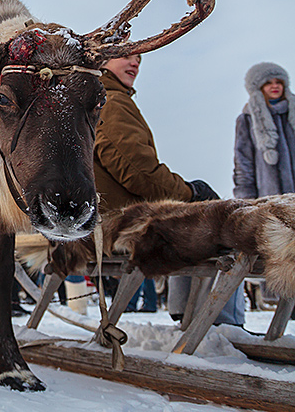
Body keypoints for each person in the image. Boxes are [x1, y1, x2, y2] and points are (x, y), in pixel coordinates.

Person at [93, 54, 233, 322]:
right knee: (222, 225)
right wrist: (191, 193)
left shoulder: (107, 98)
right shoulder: (111, 100)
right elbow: (137, 171)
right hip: (116, 222)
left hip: (109, 215)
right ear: (104, 61)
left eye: (138, 58)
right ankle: (220, 321)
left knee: (194, 218)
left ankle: (186, 311)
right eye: (125, 56)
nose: (135, 63)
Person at [234, 62, 295, 314]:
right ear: (258, 87)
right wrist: (246, 201)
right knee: (278, 252)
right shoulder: (247, 119)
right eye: (269, 83)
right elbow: (243, 162)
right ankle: (281, 307)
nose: (274, 87)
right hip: (269, 199)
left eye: (278, 82)